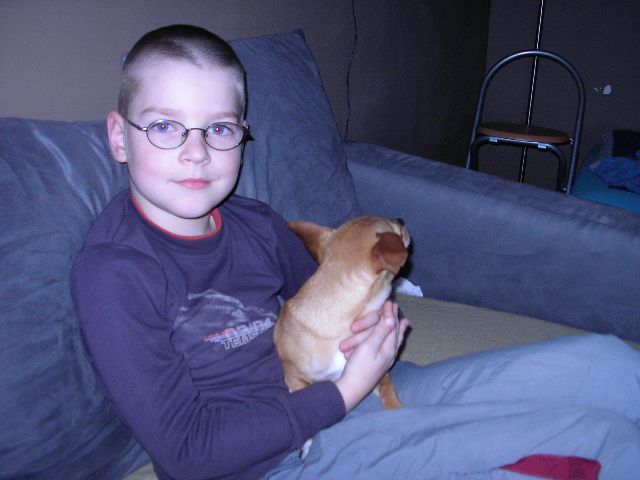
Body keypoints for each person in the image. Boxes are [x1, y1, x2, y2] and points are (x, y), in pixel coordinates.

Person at [72, 25, 640, 480]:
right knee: (595, 440)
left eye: (219, 129)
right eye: (166, 126)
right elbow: (187, 454)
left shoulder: (255, 223)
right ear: (120, 136)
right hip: (279, 462)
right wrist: (343, 394)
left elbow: (330, 295)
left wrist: (373, 328)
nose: (196, 152)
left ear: (242, 134)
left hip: (358, 391)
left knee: (607, 365)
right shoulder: (115, 273)